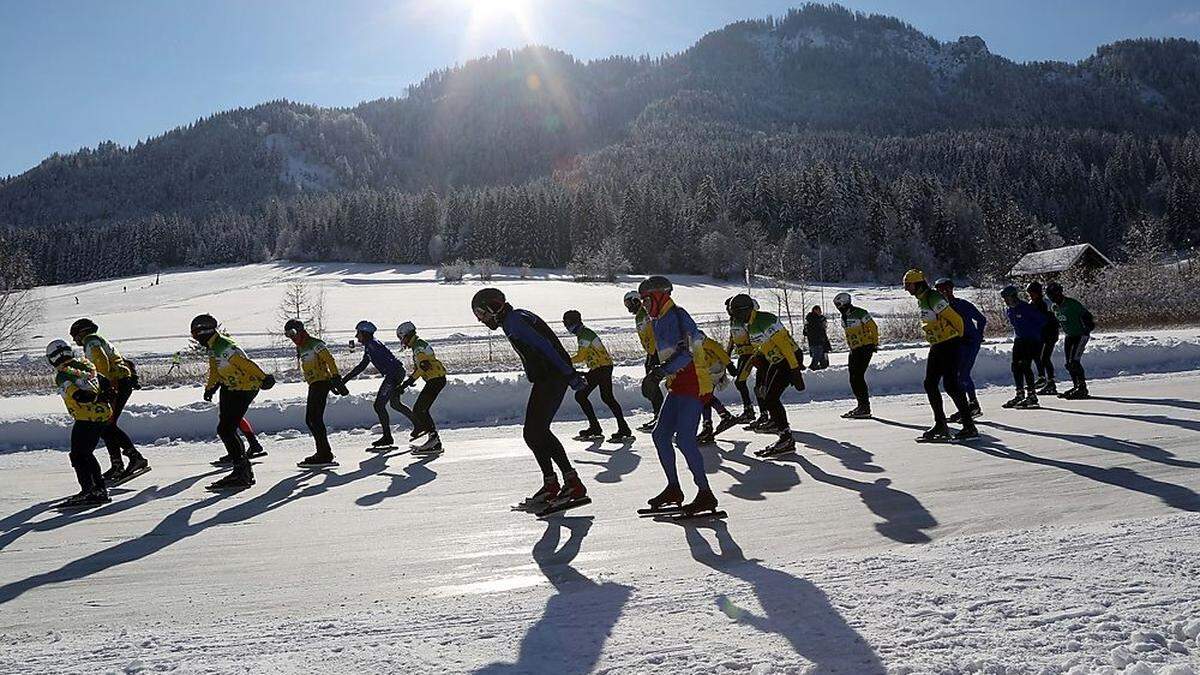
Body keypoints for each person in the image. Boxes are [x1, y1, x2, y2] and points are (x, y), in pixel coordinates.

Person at [471, 288, 589, 512]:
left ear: (492, 308)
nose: (481, 320)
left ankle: (568, 484)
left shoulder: (515, 321)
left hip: (553, 377)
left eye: (481, 314)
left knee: (536, 432)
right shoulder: (514, 319)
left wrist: (569, 374)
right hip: (549, 378)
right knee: (536, 432)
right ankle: (556, 483)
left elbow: (547, 347)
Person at [639, 276, 719, 514]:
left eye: (647, 300)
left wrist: (660, 372)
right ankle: (674, 488)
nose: (644, 306)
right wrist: (654, 371)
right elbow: (663, 352)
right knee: (660, 436)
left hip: (694, 382)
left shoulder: (679, 316)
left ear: (661, 296)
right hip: (676, 384)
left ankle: (706, 493)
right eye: (642, 302)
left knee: (684, 440)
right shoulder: (658, 321)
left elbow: (688, 353)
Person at [192, 314, 274, 490]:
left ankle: (241, 471)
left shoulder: (224, 346)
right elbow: (215, 368)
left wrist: (264, 377)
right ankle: (242, 467)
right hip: (230, 386)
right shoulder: (214, 346)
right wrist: (210, 387)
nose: (196, 340)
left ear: (203, 332)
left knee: (226, 429)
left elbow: (245, 364)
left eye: (195, 336)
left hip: (244, 387)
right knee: (226, 427)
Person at [69, 318, 149, 484]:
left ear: (82, 332)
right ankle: (117, 464)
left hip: (115, 382)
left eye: (74, 335)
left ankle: (135, 458)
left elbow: (101, 362)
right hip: (119, 380)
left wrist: (105, 385)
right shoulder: (97, 340)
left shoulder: (90, 341)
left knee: (107, 425)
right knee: (106, 426)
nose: (74, 339)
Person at [902, 270, 977, 441]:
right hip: (938, 344)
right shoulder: (923, 299)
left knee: (951, 385)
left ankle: (969, 426)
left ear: (918, 283)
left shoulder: (934, 298)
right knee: (930, 384)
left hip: (949, 344)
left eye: (908, 285)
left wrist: (958, 337)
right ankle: (941, 424)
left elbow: (956, 319)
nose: (906, 289)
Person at [727, 294, 806, 456]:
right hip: (776, 360)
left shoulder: (765, 320)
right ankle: (783, 433)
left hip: (789, 357)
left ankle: (786, 438)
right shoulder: (749, 323)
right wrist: (756, 359)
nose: (735, 318)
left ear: (746, 310)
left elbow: (784, 345)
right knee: (765, 395)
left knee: (771, 398)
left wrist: (795, 370)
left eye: (736, 314)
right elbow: (761, 345)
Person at [46, 340, 111, 507]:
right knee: (86, 453)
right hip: (102, 415)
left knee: (78, 455)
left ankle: (89, 491)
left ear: (52, 359)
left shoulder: (63, 375)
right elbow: (105, 383)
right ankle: (99, 489)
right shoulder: (85, 365)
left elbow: (80, 396)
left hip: (85, 417)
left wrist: (90, 397)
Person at [562, 310, 633, 443]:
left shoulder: (584, 335)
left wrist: (565, 361)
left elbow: (581, 356)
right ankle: (621, 428)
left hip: (601, 368)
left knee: (581, 396)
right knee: (606, 398)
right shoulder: (584, 333)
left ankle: (597, 427)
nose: (567, 327)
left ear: (573, 323)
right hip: (602, 367)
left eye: (567, 324)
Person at [285, 319, 348, 467]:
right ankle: (324, 452)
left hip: (321, 383)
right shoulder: (301, 347)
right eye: (288, 335)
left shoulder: (315, 343)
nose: (292, 337)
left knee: (314, 419)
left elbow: (329, 360)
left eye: (293, 333)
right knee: (311, 420)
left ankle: (324, 454)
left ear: (300, 330)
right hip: (314, 384)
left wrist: (335, 377)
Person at [339, 321, 407, 448]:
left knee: (379, 405)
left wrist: (395, 382)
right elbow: (361, 366)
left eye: (358, 333)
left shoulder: (373, 345)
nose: (356, 336)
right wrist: (345, 380)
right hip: (394, 374)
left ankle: (388, 437)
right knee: (395, 404)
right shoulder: (370, 346)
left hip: (393, 375)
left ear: (364, 334)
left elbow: (391, 362)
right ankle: (419, 425)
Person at [933, 278, 987, 421]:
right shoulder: (940, 308)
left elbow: (981, 319)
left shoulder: (962, 304)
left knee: (962, 374)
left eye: (946, 289)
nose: (944, 292)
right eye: (940, 290)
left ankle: (973, 406)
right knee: (956, 376)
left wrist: (978, 336)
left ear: (952, 289)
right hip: (957, 343)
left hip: (969, 342)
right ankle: (966, 407)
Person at [395, 321, 448, 453]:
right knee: (422, 409)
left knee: (420, 410)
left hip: (435, 380)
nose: (402, 342)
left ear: (407, 335)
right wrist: (413, 377)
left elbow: (423, 366)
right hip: (436, 378)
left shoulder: (418, 347)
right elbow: (423, 365)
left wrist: (407, 383)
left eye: (402, 338)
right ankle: (433, 439)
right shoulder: (418, 344)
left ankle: (434, 440)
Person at [1046, 282, 1095, 399]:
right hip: (1069, 336)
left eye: (1054, 295)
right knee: (1068, 364)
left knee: (1074, 362)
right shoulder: (1054, 307)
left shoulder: (1072, 304)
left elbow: (1087, 317)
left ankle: (1082, 388)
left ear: (1059, 293)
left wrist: (1087, 329)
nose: (1053, 298)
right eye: (1050, 296)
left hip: (1080, 335)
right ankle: (1076, 386)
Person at [833, 292, 879, 419]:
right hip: (854, 349)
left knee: (858, 377)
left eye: (838, 304)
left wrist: (874, 343)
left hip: (865, 347)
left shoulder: (861, 312)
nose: (837, 307)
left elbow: (873, 327)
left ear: (844, 302)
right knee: (853, 378)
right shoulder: (844, 317)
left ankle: (865, 407)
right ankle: (861, 406)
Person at [1000, 286, 1046, 409]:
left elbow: (1042, 321)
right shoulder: (1009, 310)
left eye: (1007, 298)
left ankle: (1032, 396)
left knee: (1025, 365)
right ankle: (1020, 394)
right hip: (1019, 340)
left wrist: (1034, 333)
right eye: (1004, 299)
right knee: (1015, 366)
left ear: (1014, 296)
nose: (1006, 301)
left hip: (1031, 340)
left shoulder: (1026, 308)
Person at [624, 290, 663, 431]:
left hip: (656, 352)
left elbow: (654, 331)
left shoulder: (646, 313)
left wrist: (654, 353)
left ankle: (661, 416)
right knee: (651, 385)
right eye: (626, 304)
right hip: (651, 352)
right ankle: (658, 415)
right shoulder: (639, 315)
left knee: (652, 384)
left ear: (636, 300)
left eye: (629, 303)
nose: (628, 307)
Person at [695, 333, 739, 446]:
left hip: (713, 366)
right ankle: (723, 417)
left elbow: (715, 346)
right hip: (704, 368)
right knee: (704, 396)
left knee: (704, 395)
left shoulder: (692, 334)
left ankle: (711, 425)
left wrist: (729, 364)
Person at [724, 297, 758, 422]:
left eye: (729, 308)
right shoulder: (733, 320)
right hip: (742, 354)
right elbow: (732, 339)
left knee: (740, 382)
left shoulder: (743, 318)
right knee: (740, 382)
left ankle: (750, 410)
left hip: (750, 353)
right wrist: (727, 355)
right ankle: (749, 410)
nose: (728, 310)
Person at [1026, 281, 1060, 395]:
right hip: (1040, 334)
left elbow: (1049, 319)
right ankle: (1042, 377)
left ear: (1038, 293)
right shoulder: (1032, 303)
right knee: (1036, 355)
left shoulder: (1045, 303)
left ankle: (1051, 383)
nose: (1030, 295)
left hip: (1050, 334)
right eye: (1029, 293)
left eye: (1032, 293)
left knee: (1045, 358)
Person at [803, 306, 831, 370]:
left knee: (823, 362)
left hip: (820, 342)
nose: (820, 312)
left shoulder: (813, 319)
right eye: (819, 310)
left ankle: (822, 372)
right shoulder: (812, 319)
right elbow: (808, 332)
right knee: (816, 359)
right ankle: (810, 372)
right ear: (815, 310)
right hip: (816, 342)